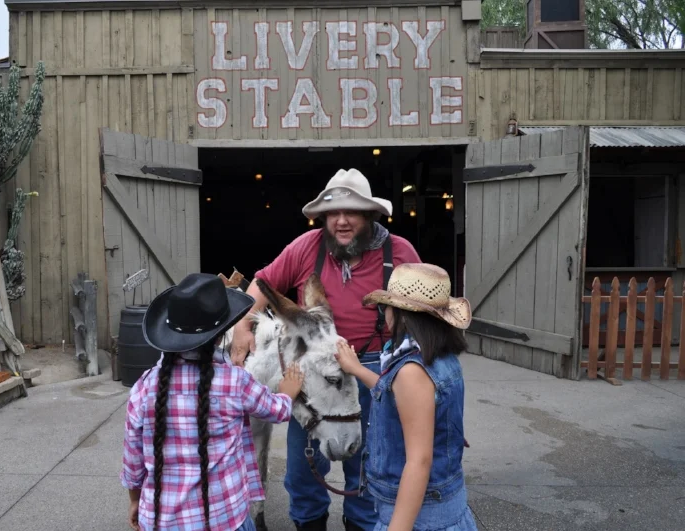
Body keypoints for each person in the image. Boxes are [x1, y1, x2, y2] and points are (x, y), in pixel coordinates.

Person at [230, 168, 421, 531]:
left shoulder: (400, 252)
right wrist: (242, 323)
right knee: (305, 468)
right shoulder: (306, 247)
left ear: (370, 215)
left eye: (352, 212)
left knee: (366, 463)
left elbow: (425, 317)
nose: (342, 221)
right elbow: (262, 283)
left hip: (372, 367)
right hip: (312, 372)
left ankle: (361, 523)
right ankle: (309, 522)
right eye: (334, 213)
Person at [121, 273, 306, 531]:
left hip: (161, 521)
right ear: (220, 336)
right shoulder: (235, 382)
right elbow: (277, 411)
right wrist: (288, 392)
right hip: (226, 519)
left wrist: (135, 500)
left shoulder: (144, 387)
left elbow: (133, 458)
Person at [334, 263, 477, 531]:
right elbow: (398, 397)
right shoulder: (439, 358)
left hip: (423, 519)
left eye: (385, 306)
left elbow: (419, 461)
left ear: (402, 315)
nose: (384, 313)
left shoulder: (412, 371)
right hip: (443, 504)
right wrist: (356, 369)